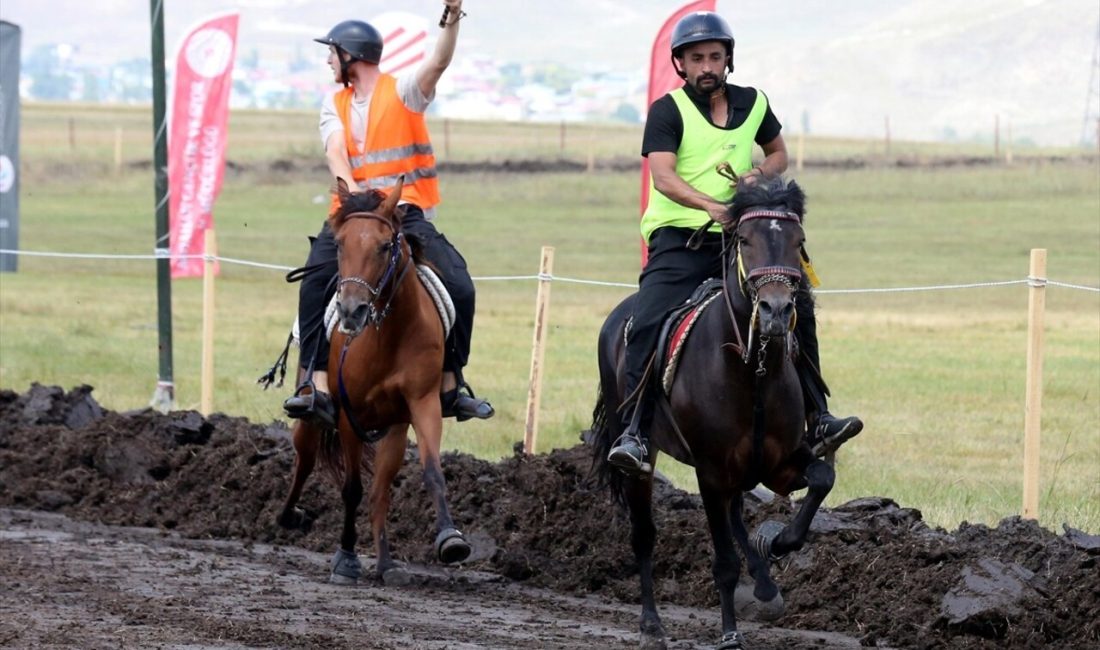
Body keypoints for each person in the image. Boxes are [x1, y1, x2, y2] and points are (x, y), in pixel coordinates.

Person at [606, 11, 862, 475]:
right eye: (697, 58)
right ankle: (635, 432)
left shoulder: (754, 103)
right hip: (679, 239)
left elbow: (779, 153)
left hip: (741, 239)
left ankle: (818, 417)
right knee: (645, 319)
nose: (707, 66)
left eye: (715, 57)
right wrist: (710, 205)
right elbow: (662, 177)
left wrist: (759, 174)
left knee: (797, 303)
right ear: (681, 63)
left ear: (728, 60)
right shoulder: (668, 111)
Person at [283, 0, 494, 425]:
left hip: (405, 211)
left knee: (460, 286)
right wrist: (355, 196)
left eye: (332, 52)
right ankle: (315, 382)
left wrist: (452, 17)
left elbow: (438, 61)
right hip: (352, 213)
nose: (328, 60)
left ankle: (452, 385)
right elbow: (335, 153)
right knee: (314, 284)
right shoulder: (333, 104)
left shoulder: (403, 92)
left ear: (351, 56)